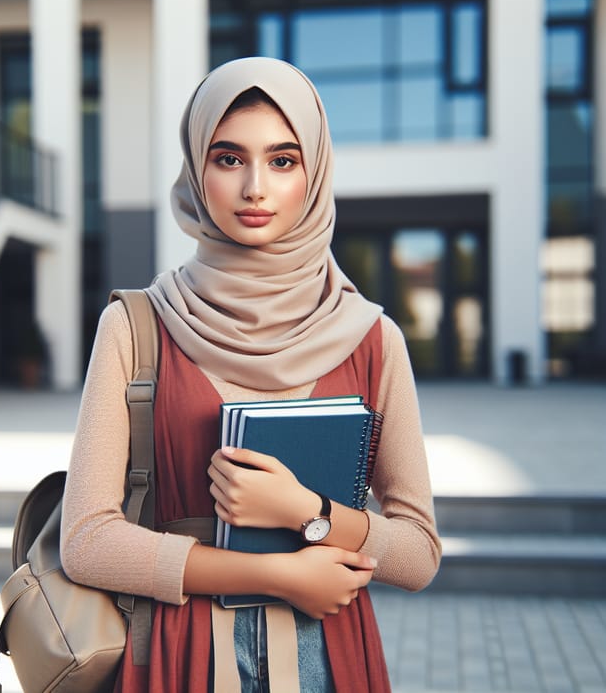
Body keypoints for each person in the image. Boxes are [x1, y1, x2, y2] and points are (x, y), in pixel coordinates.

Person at [61, 56, 441, 692]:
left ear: (314, 172)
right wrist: (276, 577)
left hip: (330, 657)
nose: (255, 188)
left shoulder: (373, 339)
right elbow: (87, 540)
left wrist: (310, 513)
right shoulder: (137, 326)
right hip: (181, 658)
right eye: (229, 158)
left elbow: (420, 553)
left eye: (283, 160)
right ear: (196, 170)